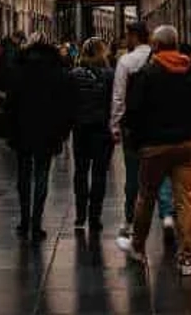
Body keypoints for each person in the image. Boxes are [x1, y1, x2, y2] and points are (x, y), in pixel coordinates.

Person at [116, 25, 191, 276]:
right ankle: (187, 258)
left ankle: (138, 247)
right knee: (186, 200)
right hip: (186, 146)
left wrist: (138, 142)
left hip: (154, 147)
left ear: (155, 46)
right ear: (176, 44)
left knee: (146, 197)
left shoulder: (147, 75)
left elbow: (133, 112)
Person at [7, 33, 75, 242]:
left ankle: (24, 220)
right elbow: (65, 103)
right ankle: (36, 223)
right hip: (48, 129)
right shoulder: (57, 69)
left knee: (23, 174)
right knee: (42, 174)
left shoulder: (19, 66)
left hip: (22, 128)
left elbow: (10, 100)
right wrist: (63, 130)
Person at [111, 21, 176, 240]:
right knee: (162, 170)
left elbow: (119, 96)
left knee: (133, 173)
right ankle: (167, 215)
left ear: (133, 36)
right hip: (160, 122)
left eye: (127, 36)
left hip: (134, 125)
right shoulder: (160, 59)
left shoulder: (126, 61)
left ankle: (130, 219)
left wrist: (115, 124)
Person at [70, 37, 114, 231]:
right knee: (99, 173)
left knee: (80, 171)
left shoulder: (74, 74)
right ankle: (95, 216)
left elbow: (69, 102)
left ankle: (80, 216)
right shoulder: (109, 75)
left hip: (80, 129)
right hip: (102, 129)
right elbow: (114, 102)